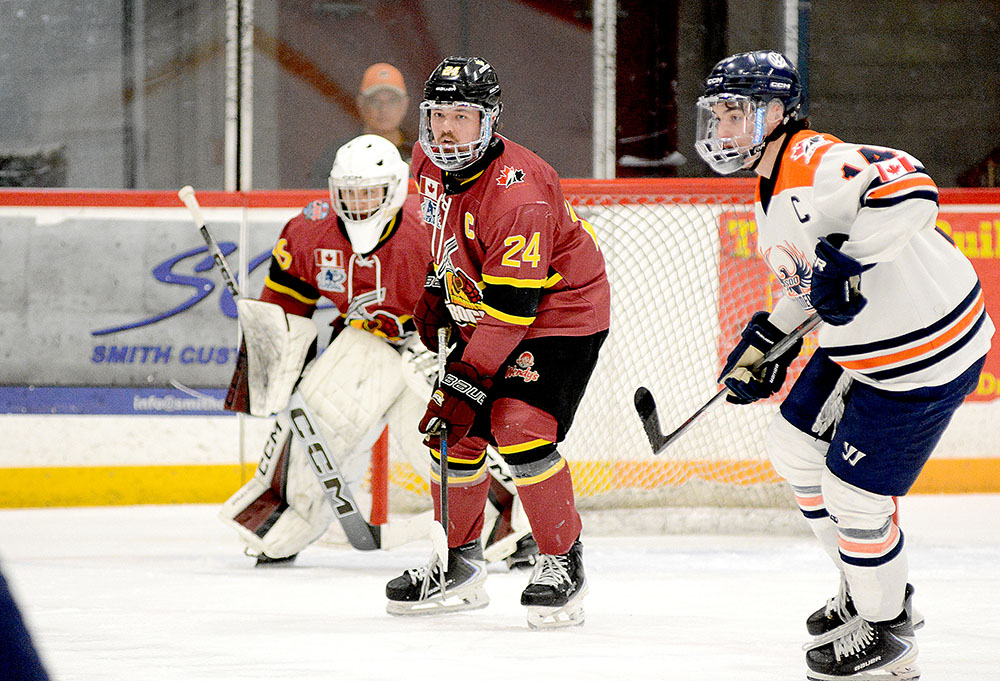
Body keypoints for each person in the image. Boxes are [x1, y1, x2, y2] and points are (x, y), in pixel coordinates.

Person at [695, 50, 994, 679]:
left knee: (854, 496)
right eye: (716, 116)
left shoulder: (813, 158)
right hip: (863, 346)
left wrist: (848, 261)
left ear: (775, 113)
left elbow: (911, 187)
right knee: (792, 448)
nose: (721, 130)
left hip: (923, 355)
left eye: (734, 115)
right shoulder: (770, 186)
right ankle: (869, 591)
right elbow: (816, 282)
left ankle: (889, 632)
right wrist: (767, 341)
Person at [219, 134, 536, 570]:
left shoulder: (432, 229)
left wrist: (465, 358)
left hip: (435, 346)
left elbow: (481, 304)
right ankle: (282, 522)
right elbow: (286, 305)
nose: (358, 204)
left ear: (396, 189)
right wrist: (273, 356)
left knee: (447, 439)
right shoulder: (310, 230)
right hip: (364, 341)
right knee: (317, 418)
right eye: (349, 193)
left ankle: (512, 529)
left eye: (370, 193)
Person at [384, 56, 611, 630]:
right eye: (437, 115)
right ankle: (458, 562)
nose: (445, 130)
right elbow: (446, 231)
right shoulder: (426, 161)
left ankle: (562, 560)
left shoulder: (520, 195)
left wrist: (465, 382)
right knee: (453, 434)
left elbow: (513, 312)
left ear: (490, 121)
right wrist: (439, 284)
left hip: (559, 312)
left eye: (461, 117)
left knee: (517, 427)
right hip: (488, 303)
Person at [308, 63, 417, 187]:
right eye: (375, 101)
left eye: (392, 101)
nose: (383, 109)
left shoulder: (419, 154)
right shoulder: (340, 155)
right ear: (361, 103)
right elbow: (319, 195)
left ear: (405, 104)